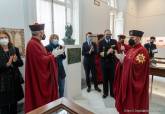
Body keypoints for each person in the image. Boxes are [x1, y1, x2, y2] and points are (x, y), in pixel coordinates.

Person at [25, 23, 60, 113]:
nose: (43, 33)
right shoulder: (32, 44)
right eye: (43, 31)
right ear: (40, 32)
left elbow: (43, 56)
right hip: (38, 78)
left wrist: (51, 54)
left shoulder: (38, 43)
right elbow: (41, 61)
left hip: (39, 76)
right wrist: (53, 56)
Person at [115, 30, 149, 114]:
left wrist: (124, 61)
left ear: (138, 38)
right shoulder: (131, 50)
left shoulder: (142, 51)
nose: (130, 39)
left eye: (132, 37)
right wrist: (121, 61)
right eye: (130, 37)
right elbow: (127, 61)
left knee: (134, 102)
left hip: (134, 84)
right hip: (127, 81)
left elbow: (138, 67)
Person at [0, 31, 24, 114]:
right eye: (1, 38)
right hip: (3, 84)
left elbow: (21, 63)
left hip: (14, 81)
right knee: (4, 107)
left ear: (8, 39)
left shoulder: (14, 49)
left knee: (14, 106)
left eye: (5, 37)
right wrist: (6, 65)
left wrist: (16, 60)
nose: (3, 39)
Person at [99, 29, 117, 98]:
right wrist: (108, 52)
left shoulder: (114, 41)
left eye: (109, 34)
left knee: (112, 79)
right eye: (107, 34)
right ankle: (105, 93)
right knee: (105, 79)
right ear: (104, 35)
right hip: (104, 63)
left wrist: (114, 51)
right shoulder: (101, 42)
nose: (108, 36)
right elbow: (100, 53)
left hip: (112, 63)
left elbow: (116, 50)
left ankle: (112, 93)